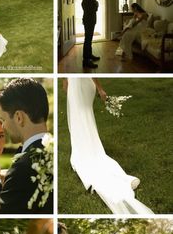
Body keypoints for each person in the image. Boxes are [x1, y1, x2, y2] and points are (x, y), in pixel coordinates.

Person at [64, 77, 154, 214]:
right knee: (81, 116)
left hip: (80, 84)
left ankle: (85, 147)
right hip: (76, 83)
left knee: (82, 116)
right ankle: (85, 145)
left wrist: (100, 88)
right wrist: (66, 80)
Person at [0, 78, 53, 214]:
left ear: (19, 117)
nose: (3, 126)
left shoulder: (24, 167)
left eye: (4, 119)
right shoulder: (54, 150)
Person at [82, 0, 100, 69]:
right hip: (89, 20)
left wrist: (95, 5)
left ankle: (89, 56)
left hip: (90, 19)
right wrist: (96, 5)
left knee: (89, 39)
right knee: (87, 40)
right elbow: (87, 7)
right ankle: (86, 60)